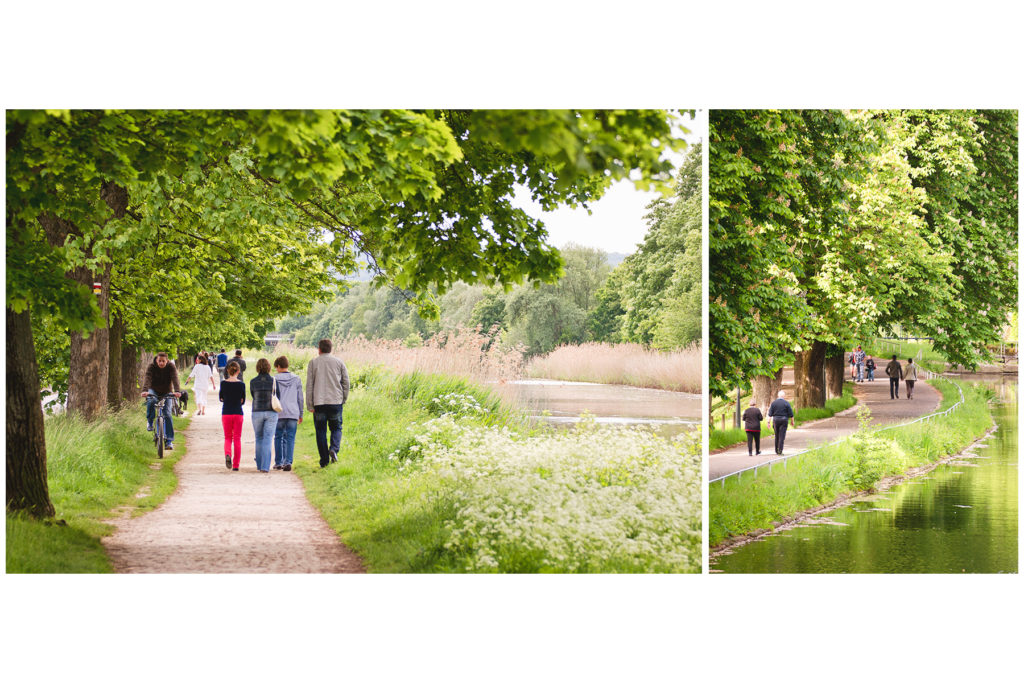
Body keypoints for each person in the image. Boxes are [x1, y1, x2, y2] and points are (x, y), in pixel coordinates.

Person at [306, 338, 350, 468]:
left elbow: (309, 385)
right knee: (336, 427)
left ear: (319, 349)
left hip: (319, 402)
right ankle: (334, 449)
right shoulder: (339, 362)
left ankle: (324, 461)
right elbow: (346, 382)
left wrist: (310, 404)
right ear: (331, 349)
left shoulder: (313, 363)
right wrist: (344, 399)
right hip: (335, 401)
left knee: (320, 431)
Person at [141, 352, 182, 450]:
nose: (161, 363)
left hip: (166, 391)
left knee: (167, 414)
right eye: (159, 361)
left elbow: (175, 378)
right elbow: (147, 378)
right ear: (156, 360)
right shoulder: (151, 366)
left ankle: (169, 441)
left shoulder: (171, 366)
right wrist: (145, 390)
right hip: (153, 389)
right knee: (151, 400)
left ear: (167, 361)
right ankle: (150, 421)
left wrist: (177, 391)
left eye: (163, 361)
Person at [272, 356, 304, 471]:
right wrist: (301, 413)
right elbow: (300, 398)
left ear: (279, 366)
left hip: (279, 411)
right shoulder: (296, 379)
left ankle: (278, 462)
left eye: (276, 367)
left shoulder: (274, 379)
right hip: (293, 412)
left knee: (278, 436)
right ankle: (288, 461)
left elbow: (272, 396)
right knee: (290, 437)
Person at [249, 358, 279, 473]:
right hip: (271, 412)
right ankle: (265, 467)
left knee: (258, 438)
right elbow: (278, 396)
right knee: (267, 439)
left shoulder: (253, 381)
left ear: (257, 367)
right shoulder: (274, 381)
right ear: (269, 367)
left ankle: (259, 464)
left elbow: (253, 395)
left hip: (257, 411)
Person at [219, 362, 246, 471]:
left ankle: (227, 454)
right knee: (237, 438)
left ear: (227, 371)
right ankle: (236, 465)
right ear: (238, 371)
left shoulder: (223, 384)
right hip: (238, 413)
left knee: (228, 437)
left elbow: (221, 398)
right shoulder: (241, 384)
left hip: (226, 413)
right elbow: (243, 400)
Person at [766, 390, 795, 455]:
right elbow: (791, 414)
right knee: (782, 436)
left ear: (778, 396)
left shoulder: (773, 403)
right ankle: (780, 450)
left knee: (777, 435)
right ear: (784, 396)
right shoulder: (786, 403)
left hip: (776, 420)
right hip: (784, 420)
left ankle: (776, 450)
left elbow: (770, 414)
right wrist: (792, 421)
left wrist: (768, 422)